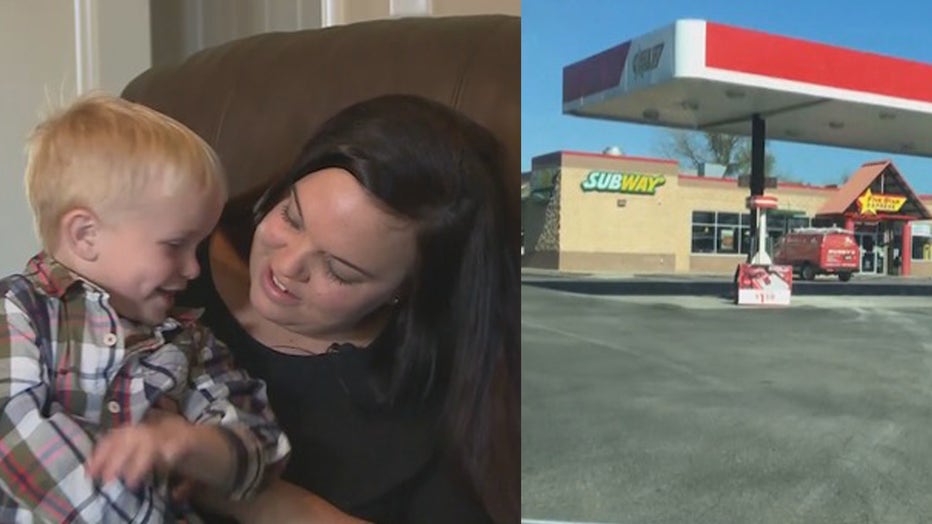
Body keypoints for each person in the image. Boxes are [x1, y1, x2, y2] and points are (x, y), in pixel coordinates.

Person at [178, 94, 519, 523]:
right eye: (291, 217)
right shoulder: (163, 258)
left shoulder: (437, 399)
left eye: (339, 271)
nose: (285, 266)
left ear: (405, 291)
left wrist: (254, 497)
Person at [0, 94, 290, 523]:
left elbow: (262, 448)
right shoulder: (18, 313)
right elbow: (13, 434)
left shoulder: (189, 339)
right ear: (86, 235)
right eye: (175, 245)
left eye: (199, 246)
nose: (194, 269)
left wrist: (190, 445)